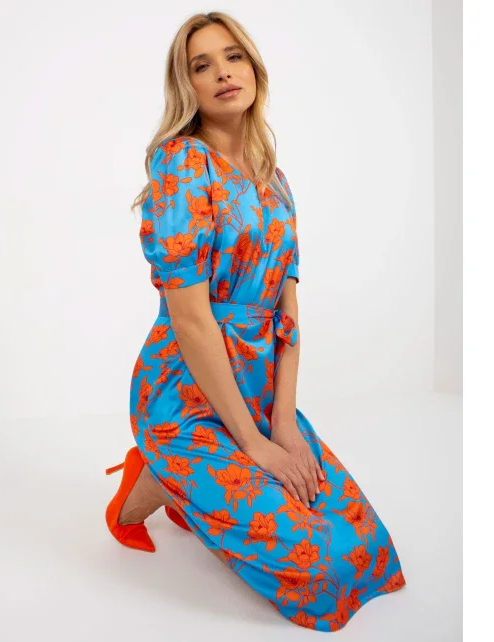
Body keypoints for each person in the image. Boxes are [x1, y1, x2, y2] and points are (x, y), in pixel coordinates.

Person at [105, 11, 406, 632]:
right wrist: (254, 444)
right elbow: (191, 321)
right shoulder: (181, 164)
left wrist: (283, 424)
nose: (222, 73)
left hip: (260, 394)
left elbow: (287, 313)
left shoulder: (275, 179)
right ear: (187, 85)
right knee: (315, 565)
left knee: (364, 551)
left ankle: (165, 476)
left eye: (233, 56)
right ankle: (149, 479)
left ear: (253, 68)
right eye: (202, 65)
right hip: (184, 396)